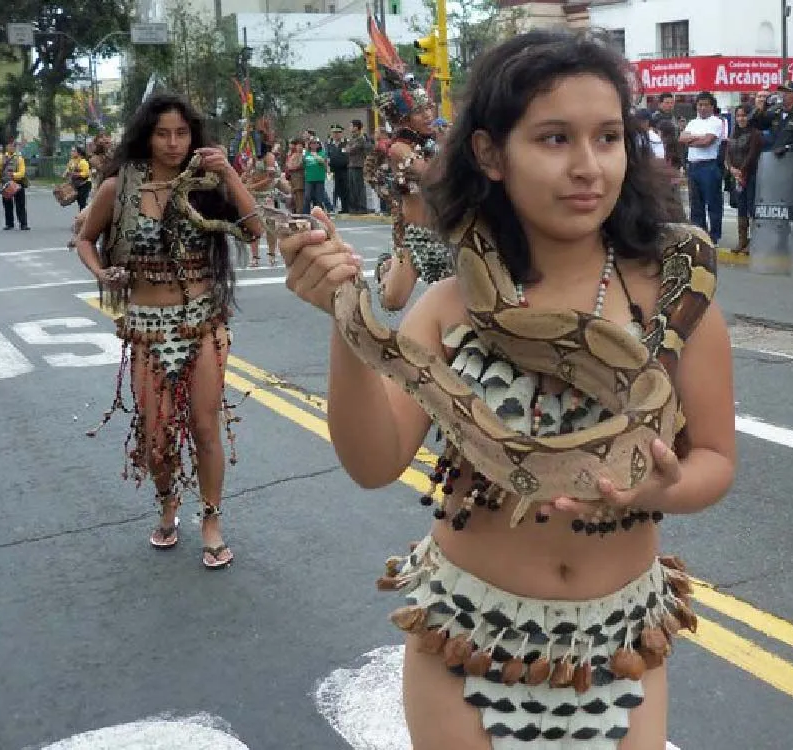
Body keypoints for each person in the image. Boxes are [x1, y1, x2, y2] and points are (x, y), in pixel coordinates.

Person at [279, 29, 735, 748]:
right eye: (554, 139)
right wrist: (345, 317)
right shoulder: (451, 304)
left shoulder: (671, 301)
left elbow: (713, 457)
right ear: (491, 153)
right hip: (470, 634)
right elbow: (372, 464)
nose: (589, 166)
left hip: (619, 638)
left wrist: (657, 491)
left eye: (608, 137)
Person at [74, 92, 263, 569]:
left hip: (202, 322)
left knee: (204, 427)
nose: (174, 143)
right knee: (155, 437)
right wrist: (102, 274)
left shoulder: (204, 181)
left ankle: (212, 520)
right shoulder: (119, 187)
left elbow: (256, 228)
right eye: (163, 133)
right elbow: (84, 238)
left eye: (181, 133)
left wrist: (230, 174)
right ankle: (167, 505)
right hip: (146, 328)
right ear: (147, 135)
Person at [363, 45, 450, 311]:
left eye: (429, 109)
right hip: (417, 235)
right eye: (419, 111)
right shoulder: (400, 148)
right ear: (405, 118)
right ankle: (386, 267)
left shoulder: (436, 139)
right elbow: (433, 176)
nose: (428, 115)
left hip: (447, 230)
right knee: (393, 301)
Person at [678, 91, 727, 244]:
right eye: (700, 105)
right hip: (693, 166)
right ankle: (700, 235)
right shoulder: (692, 122)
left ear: (712, 106)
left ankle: (714, 236)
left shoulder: (716, 122)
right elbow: (681, 139)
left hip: (709, 166)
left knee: (713, 203)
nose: (703, 108)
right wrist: (698, 138)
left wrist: (691, 140)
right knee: (696, 204)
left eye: (706, 104)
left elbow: (708, 141)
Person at [724, 105, 763, 253]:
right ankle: (742, 241)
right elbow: (727, 154)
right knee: (741, 209)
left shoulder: (755, 134)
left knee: (752, 208)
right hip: (736, 177)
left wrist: (742, 171)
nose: (741, 118)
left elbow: (752, 155)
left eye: (744, 115)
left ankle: (754, 242)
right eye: (739, 115)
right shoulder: (733, 133)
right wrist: (732, 169)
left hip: (750, 175)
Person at [0, 139, 29, 231]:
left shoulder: (19, 158)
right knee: (7, 204)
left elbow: (22, 172)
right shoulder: (1, 157)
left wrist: (14, 175)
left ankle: (23, 224)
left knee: (20, 204)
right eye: (10, 145)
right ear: (6, 147)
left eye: (13, 145)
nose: (11, 147)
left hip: (18, 183)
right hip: (5, 183)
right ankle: (9, 224)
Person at [347, 119, 372, 214]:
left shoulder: (362, 138)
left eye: (351, 126)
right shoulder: (352, 138)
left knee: (359, 187)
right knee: (352, 187)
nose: (350, 128)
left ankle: (362, 207)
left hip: (359, 165)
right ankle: (354, 207)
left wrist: (349, 148)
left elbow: (352, 149)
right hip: (351, 165)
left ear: (356, 127)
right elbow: (347, 149)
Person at [65, 145, 94, 210]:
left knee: (82, 202)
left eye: (74, 151)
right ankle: (84, 214)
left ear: (79, 153)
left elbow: (86, 173)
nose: (71, 152)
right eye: (71, 151)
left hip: (85, 184)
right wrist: (66, 173)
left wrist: (76, 174)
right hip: (77, 184)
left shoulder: (83, 162)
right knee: (79, 201)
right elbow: (68, 169)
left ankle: (84, 215)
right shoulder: (72, 161)